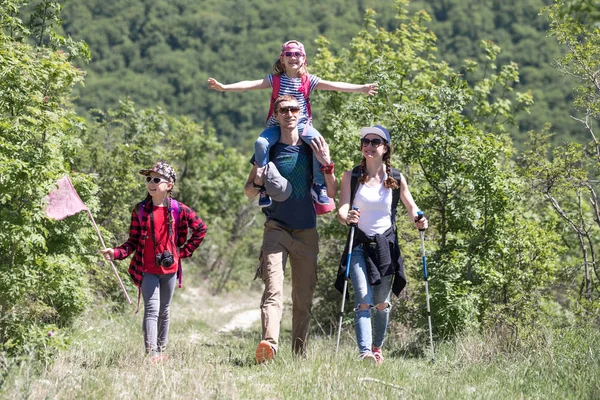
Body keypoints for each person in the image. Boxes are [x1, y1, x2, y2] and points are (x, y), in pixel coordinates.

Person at [209, 39, 376, 207]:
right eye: (288, 54)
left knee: (319, 143)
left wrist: (361, 88)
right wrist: (225, 87)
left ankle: (318, 185)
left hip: (301, 126)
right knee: (260, 143)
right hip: (276, 125)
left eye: (297, 54)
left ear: (304, 59)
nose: (293, 57)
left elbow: (336, 85)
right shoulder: (275, 80)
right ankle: (264, 185)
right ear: (282, 59)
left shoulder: (309, 81)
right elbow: (250, 84)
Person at [244, 95, 338, 363]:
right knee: (273, 290)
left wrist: (327, 164)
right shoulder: (268, 150)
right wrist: (259, 181)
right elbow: (248, 192)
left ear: (300, 113)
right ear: (276, 114)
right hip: (276, 229)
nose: (289, 113)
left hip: (306, 231)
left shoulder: (312, 147)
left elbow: (332, 192)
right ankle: (269, 346)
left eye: (294, 109)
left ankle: (299, 353)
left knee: (303, 297)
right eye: (283, 110)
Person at [335, 126, 428, 365]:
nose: (369, 145)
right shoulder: (352, 176)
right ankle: (365, 353)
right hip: (358, 243)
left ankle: (377, 348)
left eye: (375, 141)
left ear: (385, 148)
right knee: (362, 300)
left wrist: (419, 218)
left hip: (386, 245)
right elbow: (342, 208)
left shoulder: (395, 178)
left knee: (381, 304)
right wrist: (347, 218)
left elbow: (411, 207)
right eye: (365, 141)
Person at [101, 162, 207, 363]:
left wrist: (182, 252)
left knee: (164, 310)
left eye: (156, 179)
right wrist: (115, 253)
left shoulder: (179, 210)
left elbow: (201, 229)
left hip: (170, 269)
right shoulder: (140, 210)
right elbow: (132, 241)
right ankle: (152, 354)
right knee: (151, 309)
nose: (151, 183)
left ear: (169, 185)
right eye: (149, 179)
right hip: (146, 269)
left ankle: (161, 350)